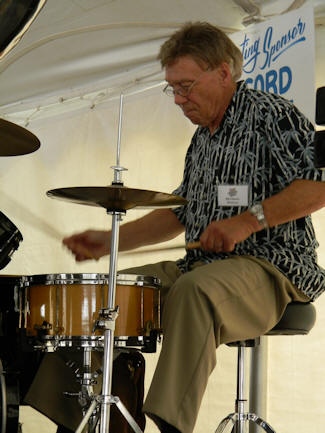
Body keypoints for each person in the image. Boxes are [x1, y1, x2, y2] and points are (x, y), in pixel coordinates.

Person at [27, 22, 325, 433]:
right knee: (105, 295)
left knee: (193, 292)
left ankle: (171, 425)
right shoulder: (203, 137)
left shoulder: (273, 114)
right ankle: (90, 421)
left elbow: (318, 185)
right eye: (173, 89)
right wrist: (108, 242)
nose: (179, 100)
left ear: (224, 73)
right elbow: (179, 213)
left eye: (186, 86)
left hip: (272, 267)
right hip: (201, 264)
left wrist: (246, 221)